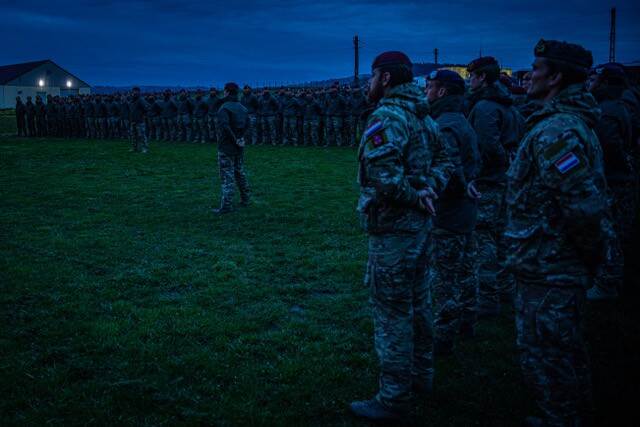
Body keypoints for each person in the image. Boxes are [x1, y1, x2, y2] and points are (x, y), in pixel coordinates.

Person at [506, 39, 619, 427]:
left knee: (549, 355)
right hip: (550, 261)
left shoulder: (557, 131)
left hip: (550, 264)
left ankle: (562, 418)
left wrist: (589, 257)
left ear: (555, 77)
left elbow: (583, 207)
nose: (529, 76)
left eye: (536, 69)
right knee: (565, 352)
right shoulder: (560, 122)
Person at [350, 51, 453, 422]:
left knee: (393, 312)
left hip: (394, 230)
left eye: (372, 76)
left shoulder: (388, 116)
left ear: (386, 79)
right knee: (420, 305)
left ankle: (394, 397)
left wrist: (415, 195)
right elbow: (445, 162)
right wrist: (429, 190)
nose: (368, 84)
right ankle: (421, 377)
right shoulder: (422, 115)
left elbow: (383, 176)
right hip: (420, 229)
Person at [425, 70, 482, 355]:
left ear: (443, 92)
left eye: (430, 87)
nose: (426, 92)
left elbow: (450, 168)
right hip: (464, 211)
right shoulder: (459, 119)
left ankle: (443, 337)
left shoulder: (444, 124)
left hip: (449, 213)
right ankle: (468, 320)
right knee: (466, 269)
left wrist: (455, 188)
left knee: (446, 278)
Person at [466, 55, 524, 316]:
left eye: (473, 76)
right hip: (504, 182)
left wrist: (493, 167)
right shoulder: (508, 105)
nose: (469, 80)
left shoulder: (486, 107)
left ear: (483, 78)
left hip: (488, 181)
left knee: (484, 241)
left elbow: (488, 145)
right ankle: (507, 292)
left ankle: (487, 300)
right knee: (502, 238)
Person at [587, 63, 635, 298]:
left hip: (611, 178)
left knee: (609, 230)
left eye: (594, 80)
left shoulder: (606, 109)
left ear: (605, 83)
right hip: (617, 177)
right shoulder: (618, 106)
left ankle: (607, 282)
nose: (590, 84)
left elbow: (608, 144)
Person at [213, 82, 250, 214]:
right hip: (239, 146)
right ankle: (246, 199)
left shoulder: (224, 108)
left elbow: (225, 126)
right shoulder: (243, 108)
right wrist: (241, 139)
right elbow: (248, 125)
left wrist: (235, 139)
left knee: (227, 176)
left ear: (227, 92)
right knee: (240, 173)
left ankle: (226, 206)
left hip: (227, 146)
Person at [129, 87, 149, 152]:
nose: (134, 93)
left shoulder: (141, 100)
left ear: (139, 92)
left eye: (136, 91)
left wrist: (143, 116)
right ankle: (134, 148)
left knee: (142, 135)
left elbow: (146, 108)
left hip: (140, 121)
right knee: (133, 135)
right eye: (133, 91)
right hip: (133, 120)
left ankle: (145, 148)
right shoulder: (132, 100)